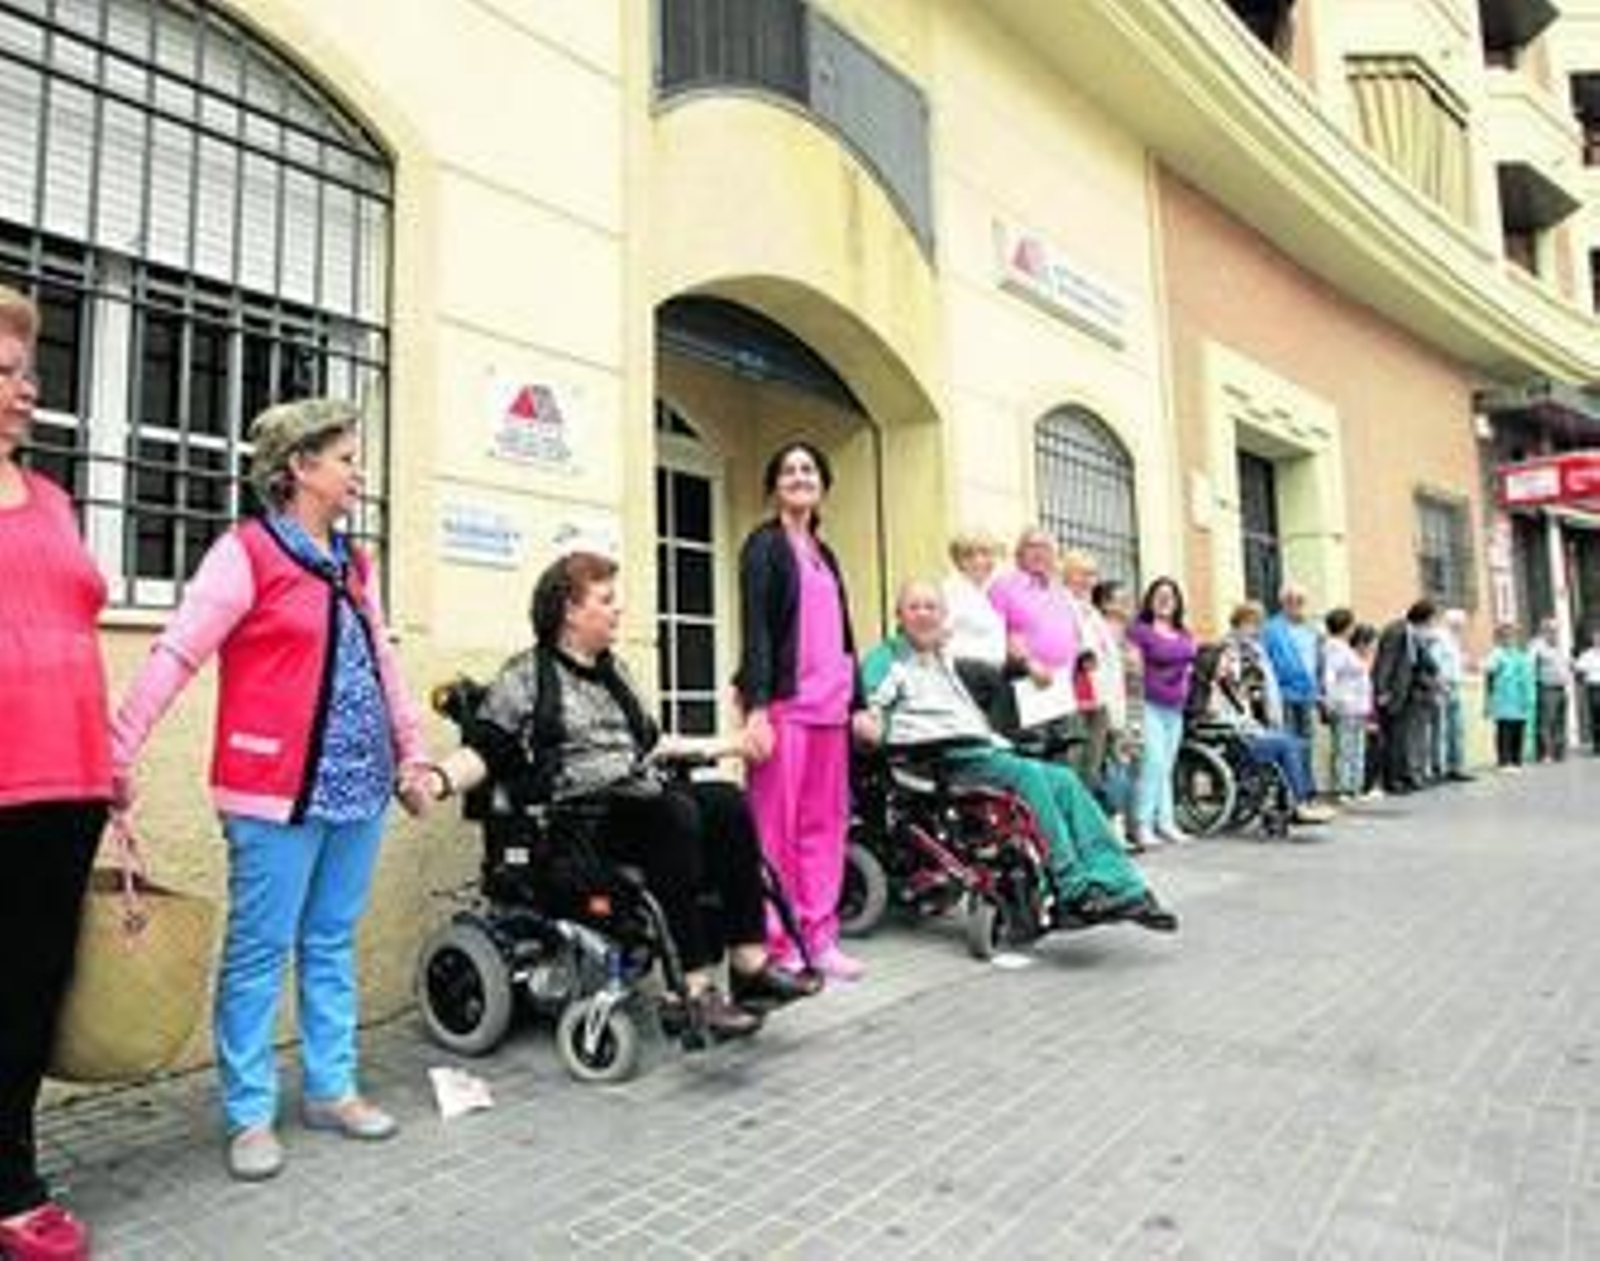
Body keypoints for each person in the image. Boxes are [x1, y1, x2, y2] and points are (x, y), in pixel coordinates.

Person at [113, 399, 431, 1183]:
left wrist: (412, 752)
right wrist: (118, 747)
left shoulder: (356, 564)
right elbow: (179, 649)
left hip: (356, 787)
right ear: (299, 467)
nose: (359, 470)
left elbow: (382, 663)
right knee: (260, 952)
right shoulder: (246, 552)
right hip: (270, 790)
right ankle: (249, 1112)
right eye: (346, 456)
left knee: (329, 942)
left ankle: (331, 1087)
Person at [423, 551, 817, 1039]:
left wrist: (731, 744)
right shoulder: (527, 676)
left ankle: (749, 965)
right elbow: (486, 751)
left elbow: (653, 745)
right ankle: (691, 991)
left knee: (727, 801)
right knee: (672, 814)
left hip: (639, 800)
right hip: (578, 824)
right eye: (606, 600)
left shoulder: (616, 673)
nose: (617, 610)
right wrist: (437, 779)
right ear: (570, 609)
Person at [859, 581, 1176, 932]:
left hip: (974, 749)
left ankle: (1122, 885)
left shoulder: (941, 659)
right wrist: (870, 725)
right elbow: (869, 707)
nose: (923, 614)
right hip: (934, 757)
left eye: (931, 607)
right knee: (1029, 776)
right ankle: (1071, 887)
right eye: (914, 607)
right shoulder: (887, 657)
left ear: (943, 615)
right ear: (899, 616)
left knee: (1065, 779)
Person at [0, 285, 109, 1260]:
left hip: (67, 781)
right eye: (5, 371)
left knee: (35, 985)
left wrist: (109, 765)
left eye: (28, 371)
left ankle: (10, 1168)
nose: (27, 388)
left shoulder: (54, 496)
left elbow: (70, 626)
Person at [734, 442, 878, 982]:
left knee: (824, 827)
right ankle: (779, 941)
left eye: (808, 469)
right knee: (775, 830)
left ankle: (820, 938)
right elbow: (757, 632)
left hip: (830, 710)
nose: (799, 477)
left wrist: (859, 703)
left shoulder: (826, 553)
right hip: (785, 708)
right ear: (775, 485)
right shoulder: (764, 546)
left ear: (822, 485)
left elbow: (845, 636)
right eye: (788, 470)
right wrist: (756, 709)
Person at [1202, 603, 1336, 826]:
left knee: (1298, 743)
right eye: (1252, 624)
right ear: (1240, 623)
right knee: (1287, 745)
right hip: (1236, 727)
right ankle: (1299, 804)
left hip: (1253, 718)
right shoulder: (1226, 651)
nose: (1257, 629)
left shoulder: (1256, 649)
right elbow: (1227, 691)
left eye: (1258, 625)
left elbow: (1264, 684)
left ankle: (1296, 802)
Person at [1125, 577, 1198, 848]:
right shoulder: (1139, 630)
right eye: (1159, 595)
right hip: (1149, 704)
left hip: (1175, 708)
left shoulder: (1184, 633)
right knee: (1151, 764)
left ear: (1178, 602)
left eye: (1170, 595)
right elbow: (1132, 668)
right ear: (1150, 599)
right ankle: (1142, 825)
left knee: (1166, 767)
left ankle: (1166, 823)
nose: (1165, 600)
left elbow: (1191, 663)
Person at [941, 530, 1019, 734]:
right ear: (958, 561)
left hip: (993, 678)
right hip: (965, 676)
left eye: (986, 553)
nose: (980, 561)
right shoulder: (952, 590)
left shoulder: (991, 591)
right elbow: (939, 636)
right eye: (970, 555)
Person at [1061, 549, 1121, 788]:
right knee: (1075, 766)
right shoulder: (1060, 604)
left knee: (1092, 770)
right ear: (1066, 575)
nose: (1088, 580)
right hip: (1075, 698)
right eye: (1082, 574)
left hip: (1099, 697)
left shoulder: (1092, 612)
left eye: (1092, 574)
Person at [1092, 579, 1143, 850]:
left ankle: (1128, 827)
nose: (1126, 604)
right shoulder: (1104, 630)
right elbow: (1107, 674)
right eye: (1120, 599)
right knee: (1115, 771)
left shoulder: (1125, 632)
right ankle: (1115, 829)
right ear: (1105, 603)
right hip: (1113, 705)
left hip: (1132, 704)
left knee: (1128, 769)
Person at [1372, 600, 1439, 794]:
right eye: (1431, 620)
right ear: (1424, 617)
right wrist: (1382, 690)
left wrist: (1433, 672)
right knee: (1394, 739)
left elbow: (1422, 661)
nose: (1432, 624)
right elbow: (1386, 661)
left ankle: (1406, 776)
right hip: (1394, 692)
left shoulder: (1414, 634)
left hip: (1409, 692)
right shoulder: (1396, 631)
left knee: (1405, 739)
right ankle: (1393, 781)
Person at [1262, 583, 1322, 745]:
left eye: (1300, 601)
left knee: (1308, 740)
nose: (1296, 605)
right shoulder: (1271, 629)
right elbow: (1265, 661)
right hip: (1284, 693)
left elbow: (1317, 660)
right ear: (1283, 603)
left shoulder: (1311, 629)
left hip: (1308, 692)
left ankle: (1305, 771)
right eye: (1291, 600)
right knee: (1289, 741)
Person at [1321, 608, 1369, 802]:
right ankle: (1342, 788)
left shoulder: (1343, 647)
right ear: (1347, 626)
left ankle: (1354, 787)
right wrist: (1333, 701)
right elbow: (1329, 676)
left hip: (1356, 706)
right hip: (1346, 706)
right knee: (1345, 748)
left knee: (1356, 747)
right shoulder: (1335, 648)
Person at [1483, 624, 1536, 771]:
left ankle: (1516, 760)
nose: (1510, 639)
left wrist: (1529, 696)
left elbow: (1527, 675)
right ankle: (1504, 761)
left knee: (1519, 728)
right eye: (1506, 636)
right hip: (1503, 697)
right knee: (1505, 729)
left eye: (1512, 636)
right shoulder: (1496, 654)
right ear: (1500, 638)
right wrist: (1489, 699)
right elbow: (1489, 673)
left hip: (1519, 697)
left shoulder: (1519, 654)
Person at [1428, 609, 1472, 782]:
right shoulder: (1439, 637)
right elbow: (1435, 664)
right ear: (1451, 622)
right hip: (1442, 687)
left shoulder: (1455, 640)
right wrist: (1441, 685)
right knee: (1441, 730)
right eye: (1460, 624)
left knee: (1457, 730)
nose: (1462, 627)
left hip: (1455, 687)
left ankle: (1457, 766)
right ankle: (1440, 768)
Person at [1529, 617, 1572, 763]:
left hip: (1561, 687)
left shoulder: (1558, 646)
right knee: (1546, 722)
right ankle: (1545, 753)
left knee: (1560, 721)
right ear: (1544, 630)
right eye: (1552, 630)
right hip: (1547, 687)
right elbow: (1530, 664)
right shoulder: (1537, 645)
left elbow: (1565, 666)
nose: (1555, 633)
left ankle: (1559, 752)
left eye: (1556, 630)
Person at [1577, 628, 1600, 756]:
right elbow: (1578, 668)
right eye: (1596, 638)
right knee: (1596, 716)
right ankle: (1597, 745)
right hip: (1594, 687)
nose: (1598, 640)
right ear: (1593, 640)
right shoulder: (1587, 654)